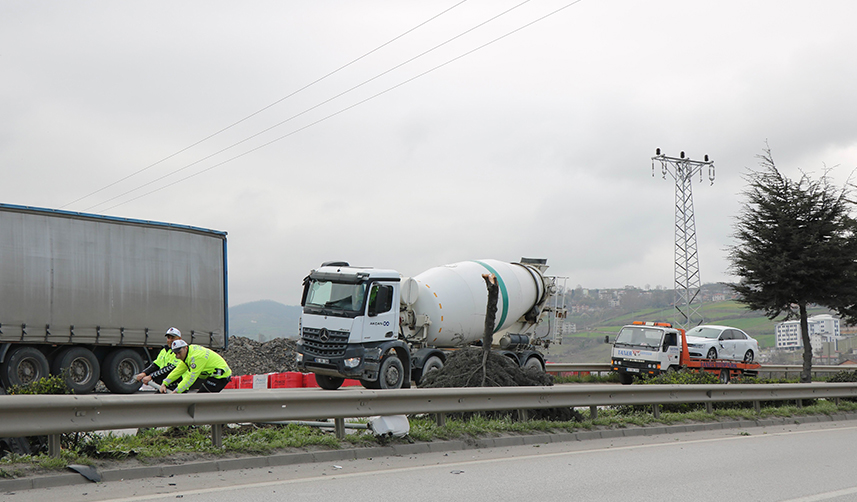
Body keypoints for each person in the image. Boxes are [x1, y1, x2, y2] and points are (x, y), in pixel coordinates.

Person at [160, 339, 232, 394]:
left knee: (201, 399)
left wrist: (176, 391)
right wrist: (164, 383)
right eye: (175, 354)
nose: (177, 356)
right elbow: (178, 370)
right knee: (200, 398)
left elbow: (190, 378)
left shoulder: (196, 357)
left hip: (220, 377)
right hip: (212, 375)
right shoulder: (188, 353)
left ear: (186, 348)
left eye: (179, 352)